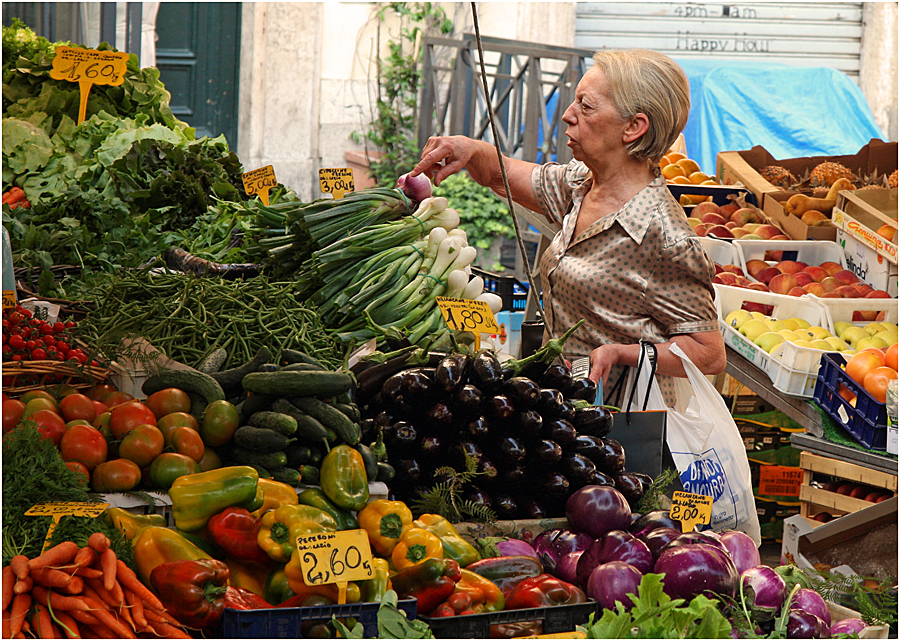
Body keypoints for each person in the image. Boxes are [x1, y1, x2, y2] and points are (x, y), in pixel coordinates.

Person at [410, 48, 726, 407]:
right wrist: (466, 148)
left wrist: (623, 353)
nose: (567, 115)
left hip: (616, 423)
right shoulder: (580, 185)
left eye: (586, 106)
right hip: (561, 409)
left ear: (634, 127)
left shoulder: (665, 238)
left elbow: (709, 354)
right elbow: (502, 173)